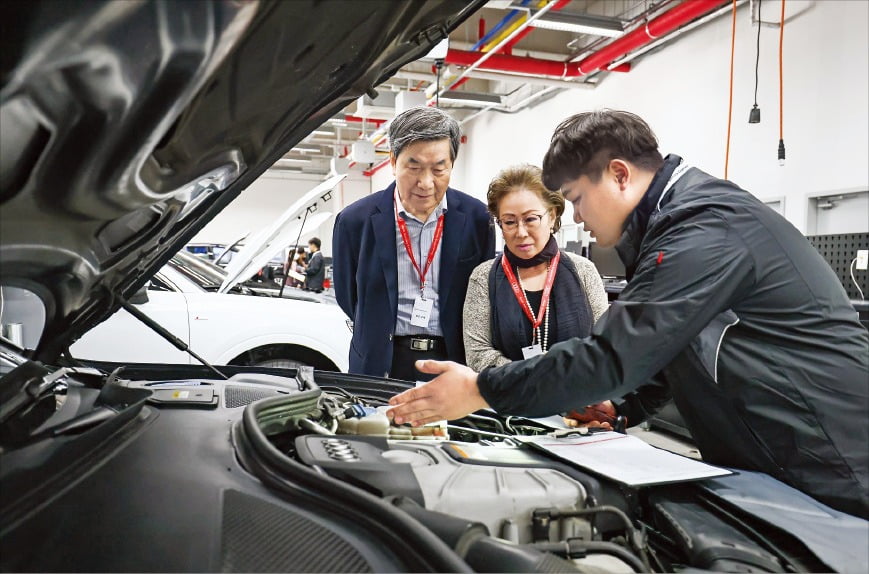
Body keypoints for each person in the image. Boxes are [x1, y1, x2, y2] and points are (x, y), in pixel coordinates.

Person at [388, 109, 869, 518]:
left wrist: (480, 389)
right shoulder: (673, 228)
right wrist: (622, 406)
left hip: (832, 463)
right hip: (776, 459)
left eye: (576, 199)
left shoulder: (704, 228)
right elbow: (674, 343)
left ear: (619, 174)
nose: (576, 218)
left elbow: (611, 356)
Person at [463, 164, 670, 428]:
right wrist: (548, 385)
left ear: (552, 215)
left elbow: (605, 346)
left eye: (530, 219)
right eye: (509, 222)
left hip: (578, 416)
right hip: (508, 416)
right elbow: (478, 355)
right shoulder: (484, 277)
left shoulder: (583, 271)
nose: (520, 232)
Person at [332, 106, 494, 381]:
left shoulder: (477, 218)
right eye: (414, 167)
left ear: (452, 163)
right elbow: (349, 297)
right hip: (380, 362)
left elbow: (480, 295)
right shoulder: (355, 221)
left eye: (439, 169)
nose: (426, 182)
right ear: (394, 161)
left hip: (452, 361)